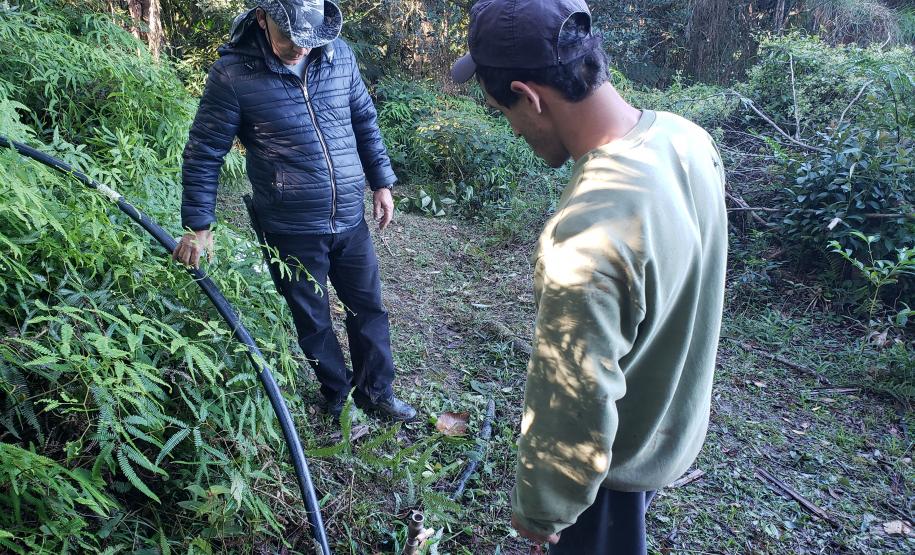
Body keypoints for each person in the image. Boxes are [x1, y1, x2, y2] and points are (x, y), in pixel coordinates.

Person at [452, 1, 727, 552]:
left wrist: (542, 510)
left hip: (607, 477)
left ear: (529, 96)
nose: (513, 128)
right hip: (666, 435)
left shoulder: (585, 236)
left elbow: (572, 402)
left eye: (502, 111)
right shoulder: (686, 139)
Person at [174, 0, 416, 422]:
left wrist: (381, 182)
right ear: (263, 18)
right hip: (289, 227)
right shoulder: (233, 74)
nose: (301, 48)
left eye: (310, 39)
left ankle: (376, 394)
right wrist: (198, 225)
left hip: (349, 218)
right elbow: (204, 152)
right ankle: (337, 395)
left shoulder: (338, 54)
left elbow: (364, 119)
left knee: (369, 309)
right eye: (290, 38)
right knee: (313, 319)